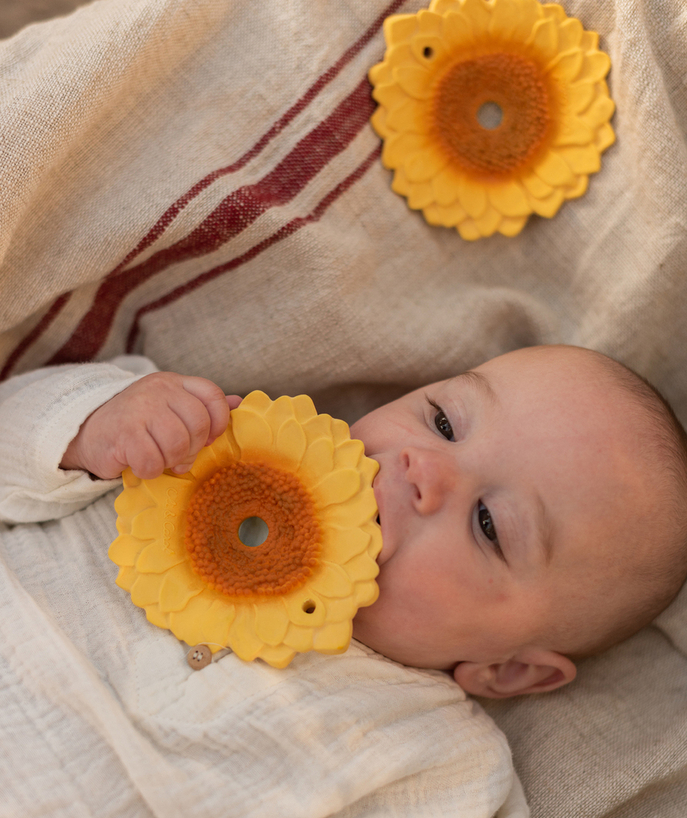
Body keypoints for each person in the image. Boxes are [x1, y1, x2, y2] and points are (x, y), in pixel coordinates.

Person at [48, 343, 687, 698]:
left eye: (489, 524)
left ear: (509, 669)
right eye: (443, 422)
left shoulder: (435, 762)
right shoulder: (199, 453)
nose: (425, 468)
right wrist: (88, 427)